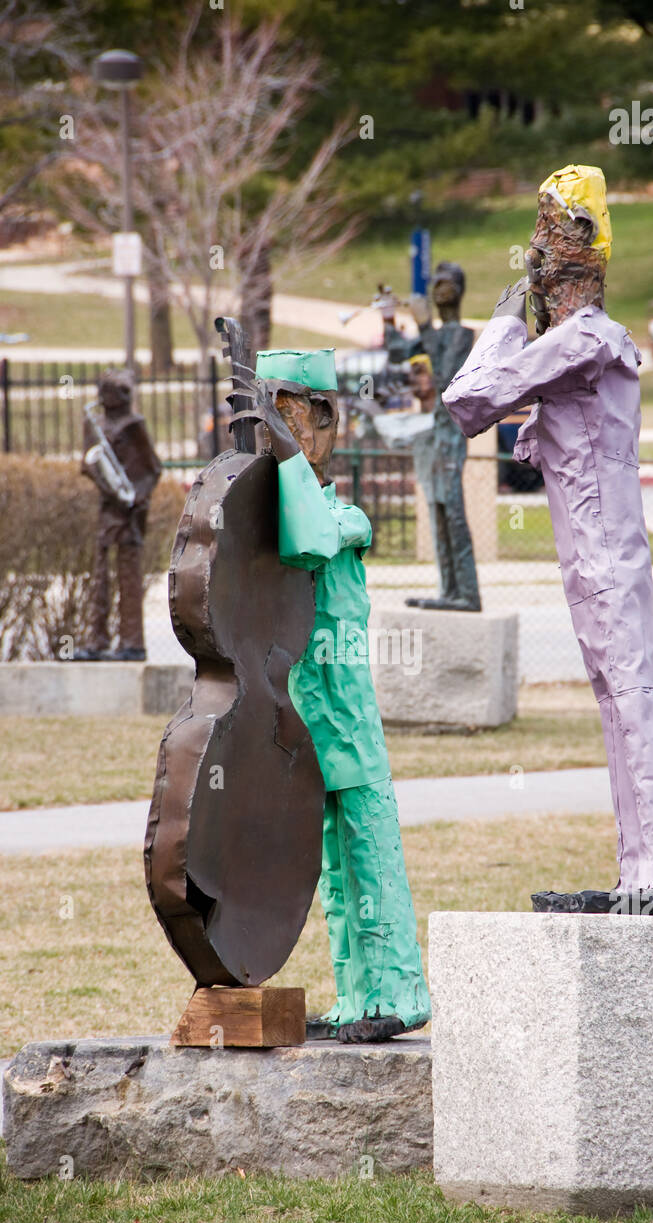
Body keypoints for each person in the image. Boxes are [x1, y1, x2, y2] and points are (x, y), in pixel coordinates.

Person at [443, 165, 653, 915]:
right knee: (618, 700)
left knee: (627, 699)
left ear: (580, 245)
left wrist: (500, 322)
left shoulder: (583, 340)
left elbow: (468, 402)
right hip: (596, 553)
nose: (532, 251)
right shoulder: (582, 347)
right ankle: (645, 872)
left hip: (603, 556)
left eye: (547, 232)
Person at [232, 346, 432, 1040]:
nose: (280, 435)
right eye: (271, 420)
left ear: (324, 423)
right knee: (335, 874)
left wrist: (281, 450)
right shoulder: (283, 508)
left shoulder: (342, 516)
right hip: (307, 723)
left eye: (290, 419)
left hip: (348, 720)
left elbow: (312, 538)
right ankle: (356, 996)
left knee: (371, 857)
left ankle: (399, 995)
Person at [383, 263, 481, 611]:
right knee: (437, 513)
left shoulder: (461, 336)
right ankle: (449, 590)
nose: (438, 289)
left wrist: (424, 325)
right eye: (435, 282)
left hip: (451, 436)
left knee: (453, 512)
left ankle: (467, 593)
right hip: (432, 436)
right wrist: (388, 318)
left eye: (445, 283)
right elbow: (397, 353)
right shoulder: (435, 336)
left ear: (458, 289)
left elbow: (445, 382)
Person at [77, 369, 161, 661]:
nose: (103, 397)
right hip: (107, 508)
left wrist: (134, 496)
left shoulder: (134, 425)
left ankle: (132, 642)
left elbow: (152, 468)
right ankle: (96, 640)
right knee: (99, 575)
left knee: (128, 576)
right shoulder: (94, 424)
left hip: (128, 512)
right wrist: (108, 487)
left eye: (108, 392)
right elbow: (88, 464)